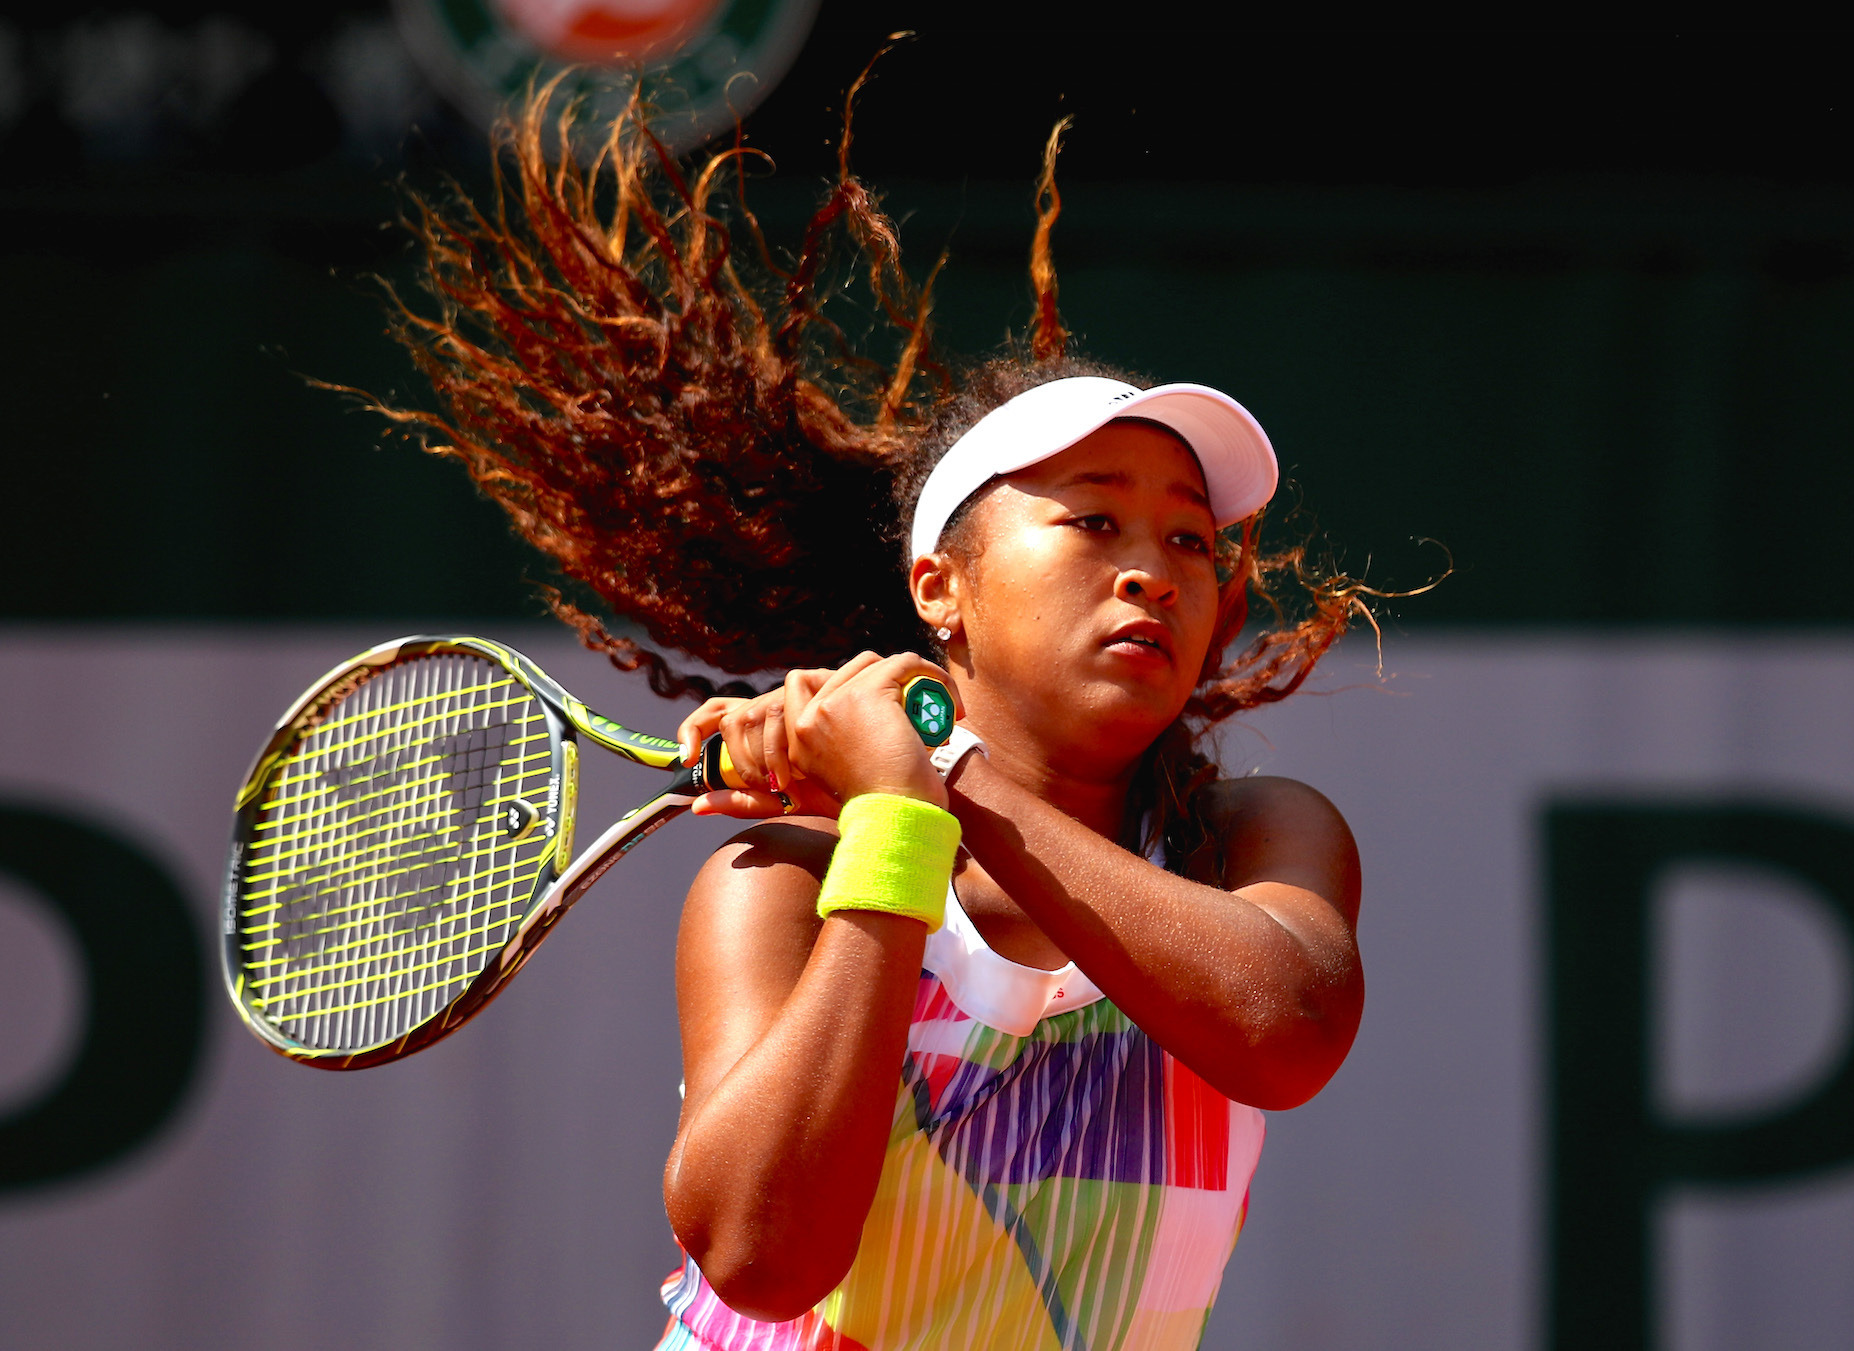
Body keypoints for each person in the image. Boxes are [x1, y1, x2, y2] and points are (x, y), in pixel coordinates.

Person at [370, 76, 1375, 1351]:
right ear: (938, 587)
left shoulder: (1252, 839)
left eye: (1188, 536)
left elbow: (1282, 1034)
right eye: (1091, 519)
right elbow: (760, 1258)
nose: (1151, 567)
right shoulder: (779, 875)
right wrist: (892, 835)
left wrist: (936, 775)